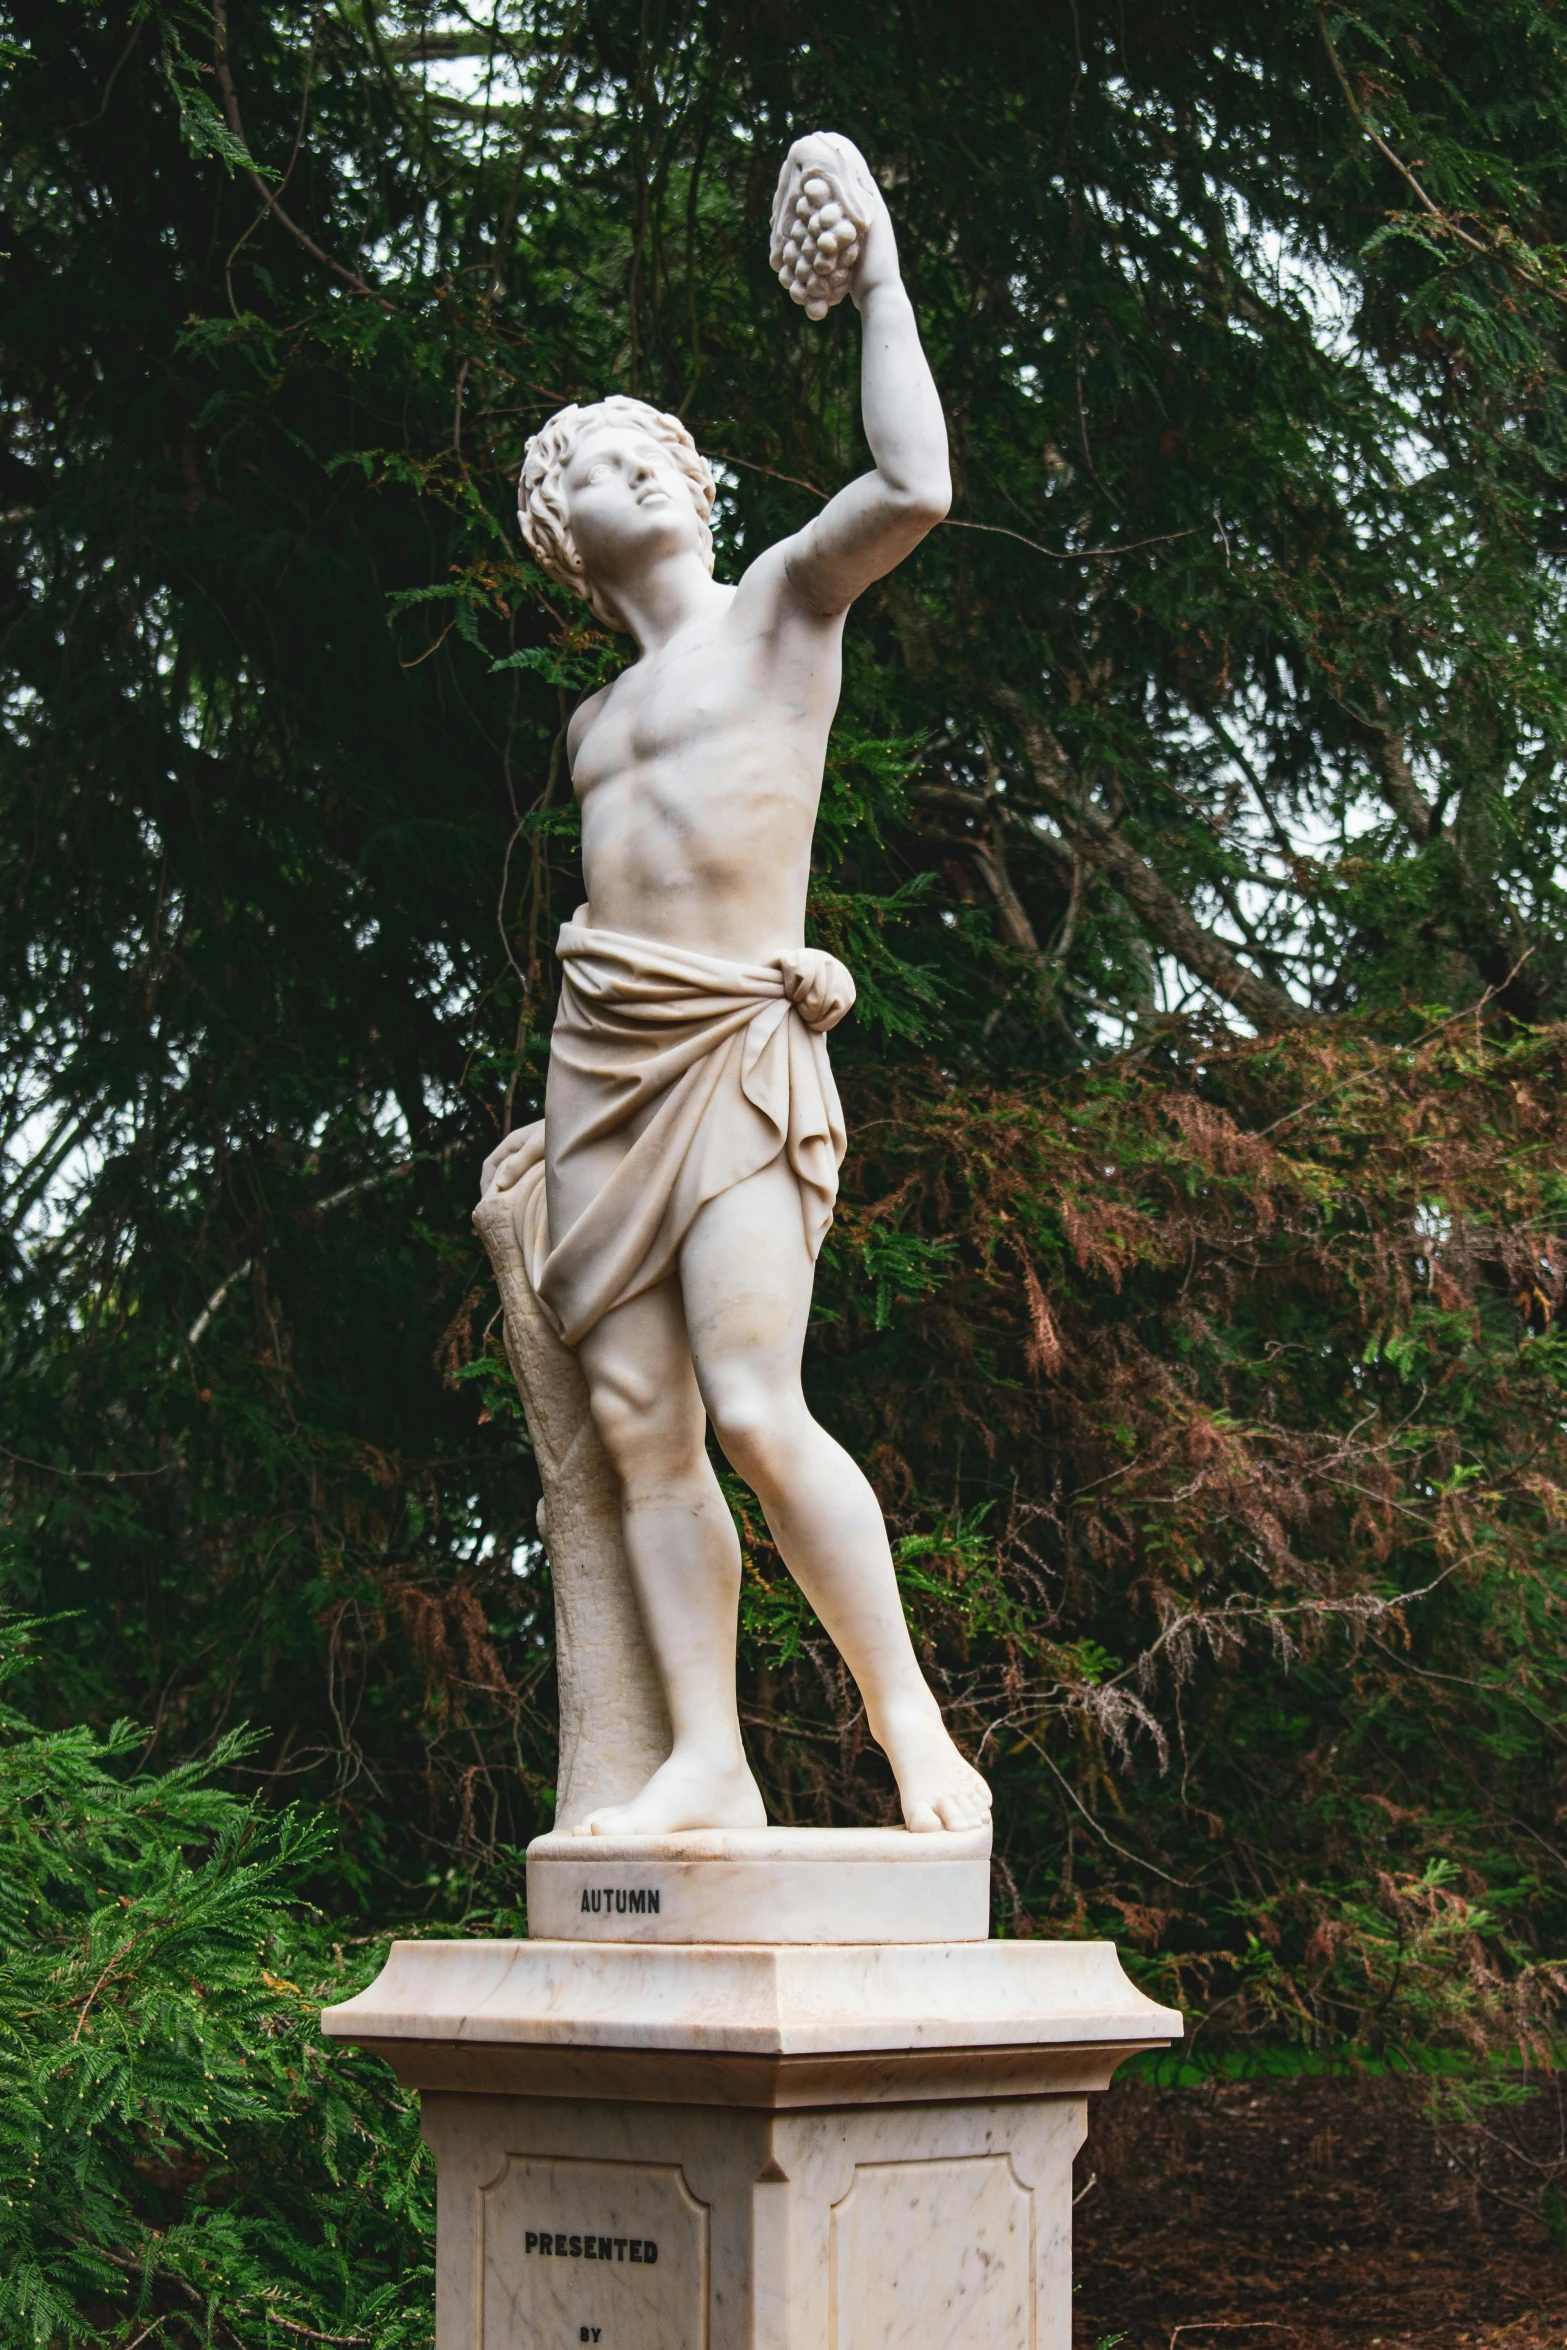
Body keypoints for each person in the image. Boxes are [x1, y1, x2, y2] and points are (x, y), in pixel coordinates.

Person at [481, 133, 990, 1839]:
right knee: (640, 1420)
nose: (587, 480)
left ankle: (912, 1725)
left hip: (734, 1054)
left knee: (757, 1402)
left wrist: (885, 278)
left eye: (619, 452)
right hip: (599, 1068)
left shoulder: (776, 609)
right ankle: (708, 1756)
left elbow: (911, 485)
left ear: (691, 481)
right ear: (558, 544)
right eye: (566, 480)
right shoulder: (588, 723)